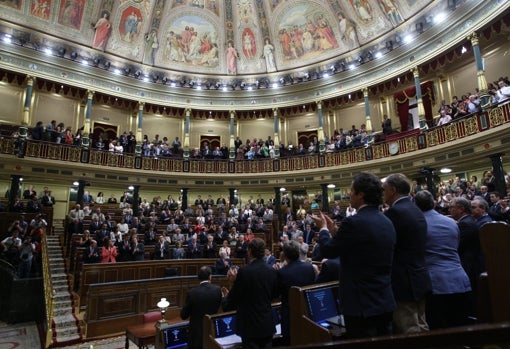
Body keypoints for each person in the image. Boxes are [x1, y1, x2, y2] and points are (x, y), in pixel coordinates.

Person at [316, 172, 396, 339]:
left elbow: (329, 251)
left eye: (351, 191)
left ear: (361, 195)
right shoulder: (387, 221)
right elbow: (362, 244)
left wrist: (323, 229)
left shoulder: (353, 222)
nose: (349, 194)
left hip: (360, 305)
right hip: (384, 300)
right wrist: (334, 231)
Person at [413, 190, 472, 329]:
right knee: (462, 328)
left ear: (415, 205)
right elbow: (455, 246)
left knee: (440, 332)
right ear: (433, 203)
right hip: (459, 279)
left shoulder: (418, 224)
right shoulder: (451, 222)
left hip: (435, 284)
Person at [383, 173, 431, 334]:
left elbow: (386, 246)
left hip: (403, 280)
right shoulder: (415, 209)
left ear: (393, 190)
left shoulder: (395, 212)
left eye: (384, 190)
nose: (383, 194)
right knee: (422, 325)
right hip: (418, 276)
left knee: (408, 328)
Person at [222, 238, 278, 349]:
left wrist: (232, 283)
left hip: (250, 325)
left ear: (250, 251)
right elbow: (274, 295)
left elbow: (231, 302)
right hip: (267, 323)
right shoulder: (271, 270)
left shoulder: (244, 271)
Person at [277, 240, 316, 345]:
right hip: (308, 313)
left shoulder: (282, 272)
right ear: (299, 252)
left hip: (290, 317)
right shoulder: (309, 268)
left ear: (284, 255)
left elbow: (277, 294)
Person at [180, 266, 222, 349]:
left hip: (196, 335)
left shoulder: (192, 293)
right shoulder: (217, 290)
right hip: (212, 332)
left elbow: (183, 315)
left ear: (198, 277)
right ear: (210, 277)